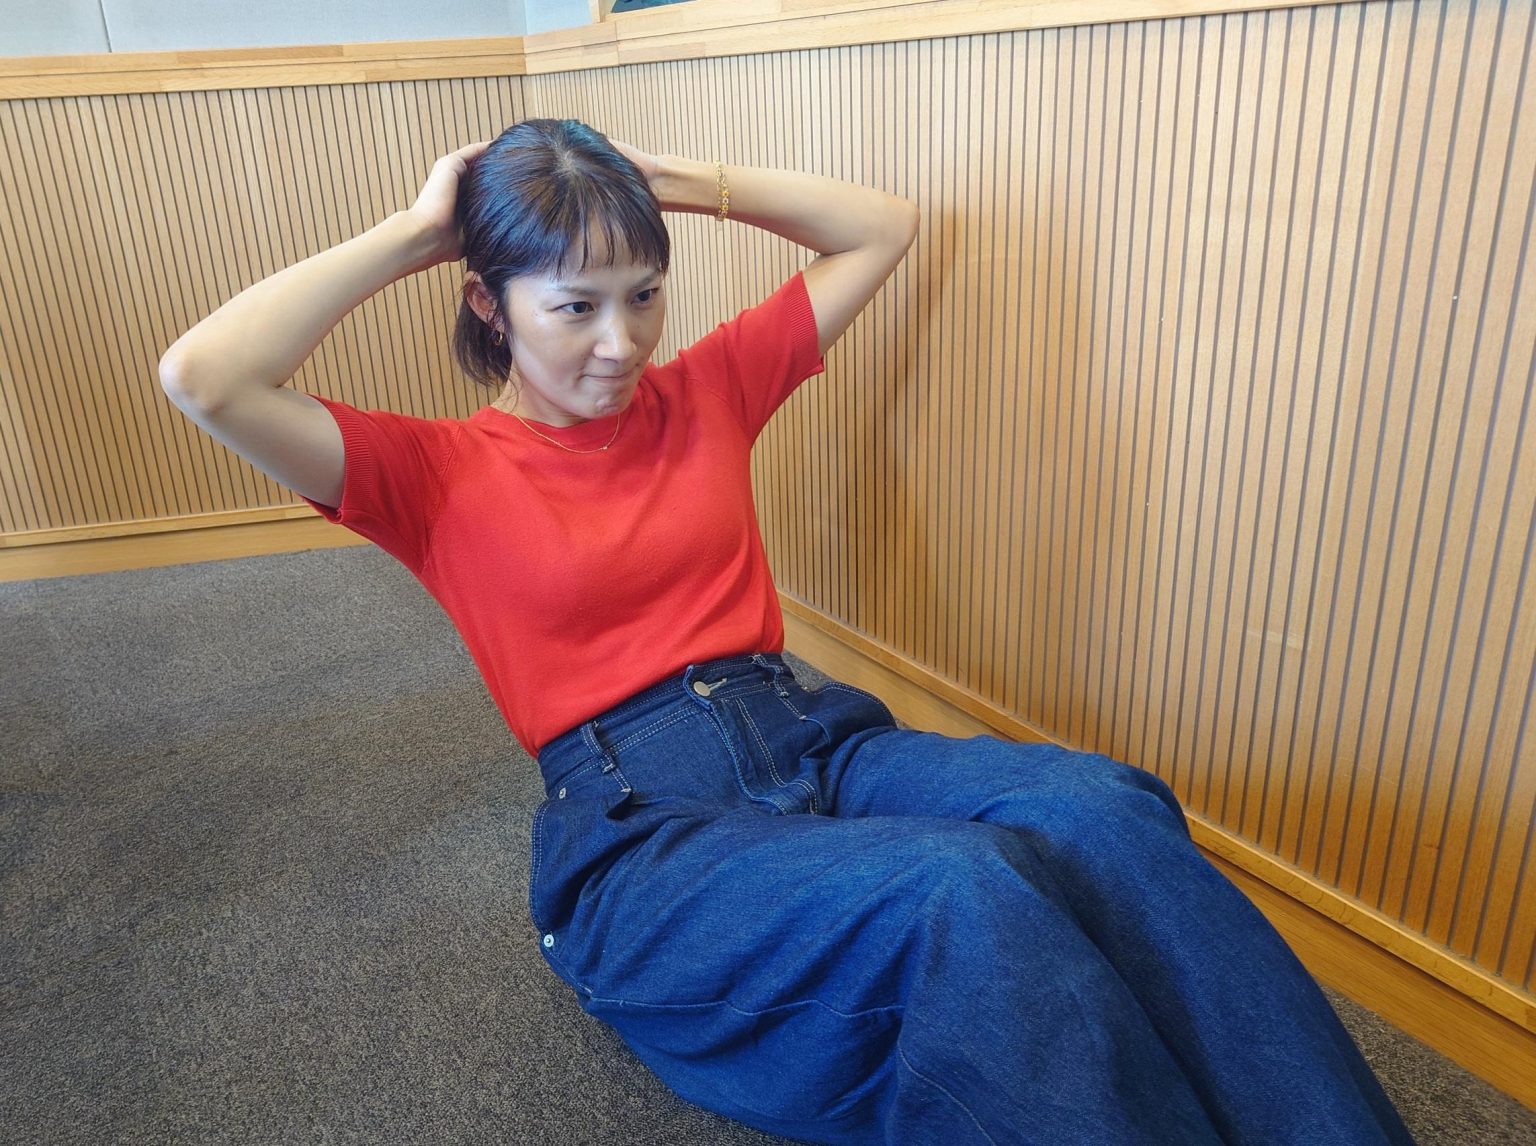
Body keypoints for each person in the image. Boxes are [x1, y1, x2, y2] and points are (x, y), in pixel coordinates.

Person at [160, 118, 1414, 1145]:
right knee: (961, 895)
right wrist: (421, 231)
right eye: (575, 306)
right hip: (644, 834)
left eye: (644, 296)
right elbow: (204, 376)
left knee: (1102, 811)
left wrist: (681, 185)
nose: (621, 343)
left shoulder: (705, 390)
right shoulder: (428, 474)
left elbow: (883, 226)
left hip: (813, 738)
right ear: (489, 305)